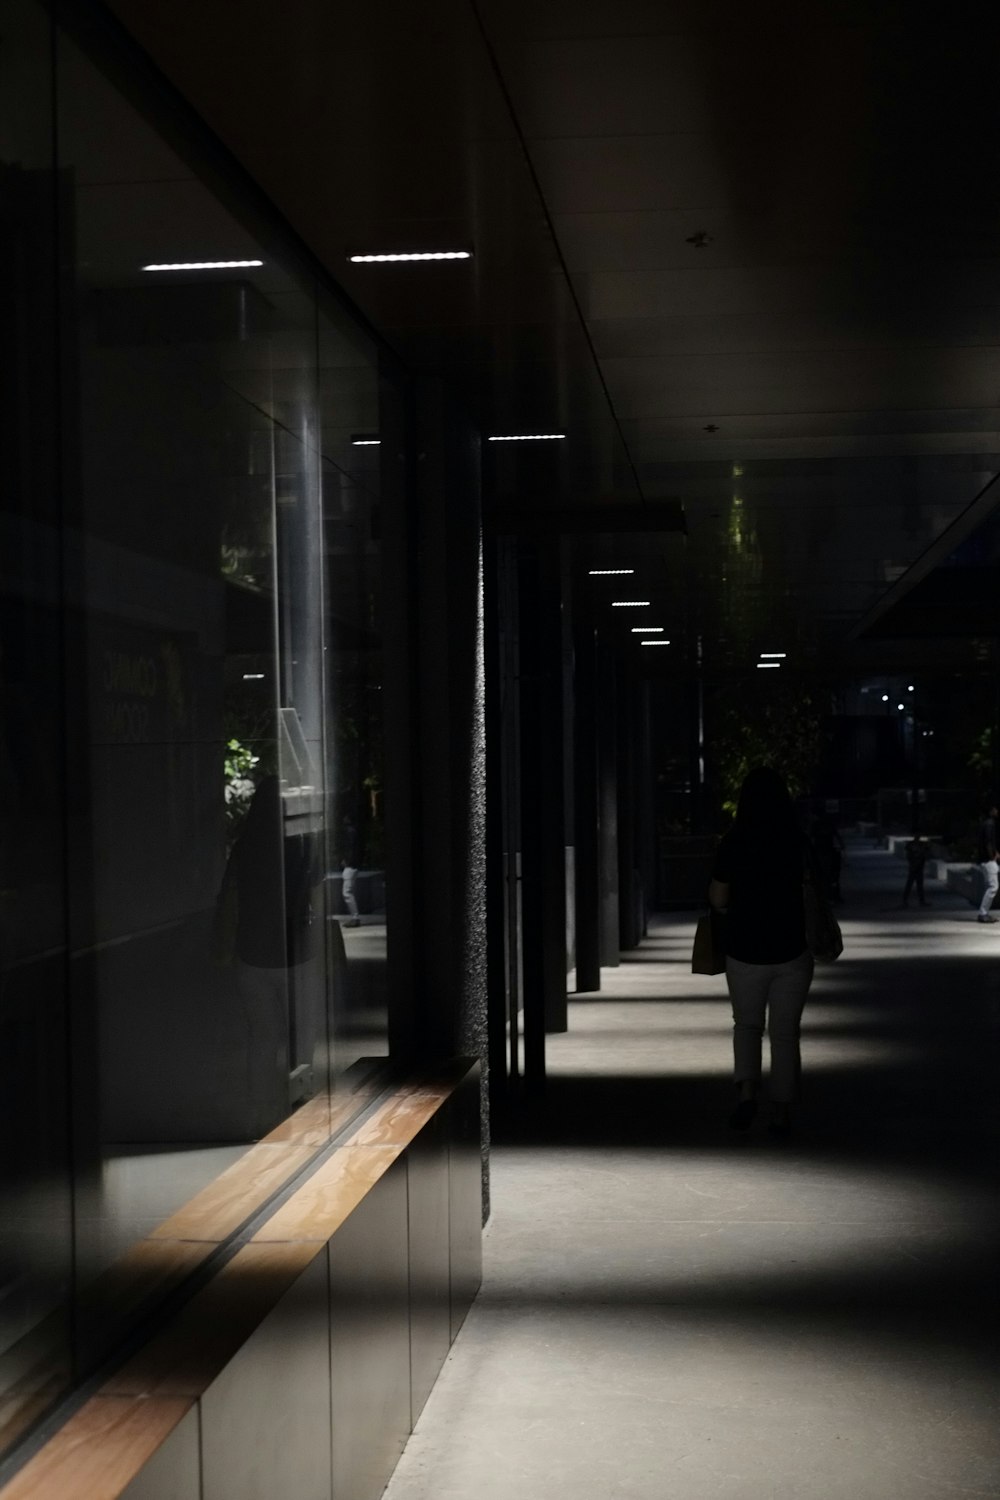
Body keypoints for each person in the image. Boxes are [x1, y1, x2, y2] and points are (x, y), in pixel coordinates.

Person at [708, 767, 814, 1136]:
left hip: (744, 949)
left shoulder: (733, 842)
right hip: (792, 950)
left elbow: (718, 899)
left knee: (747, 1025)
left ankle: (747, 1095)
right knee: (785, 1033)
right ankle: (782, 1113)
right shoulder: (797, 842)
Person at [976, 804, 998, 924]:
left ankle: (984, 912)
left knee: (989, 886)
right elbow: (988, 842)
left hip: (984, 859)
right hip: (988, 860)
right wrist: (992, 856)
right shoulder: (990, 824)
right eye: (995, 809)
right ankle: (983, 913)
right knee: (993, 887)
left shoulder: (984, 823)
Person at [902, 835, 929, 908]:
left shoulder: (921, 845)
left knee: (918, 885)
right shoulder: (912, 845)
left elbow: (925, 855)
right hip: (914, 867)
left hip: (918, 867)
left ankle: (921, 901)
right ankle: (905, 900)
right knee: (910, 884)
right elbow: (909, 856)